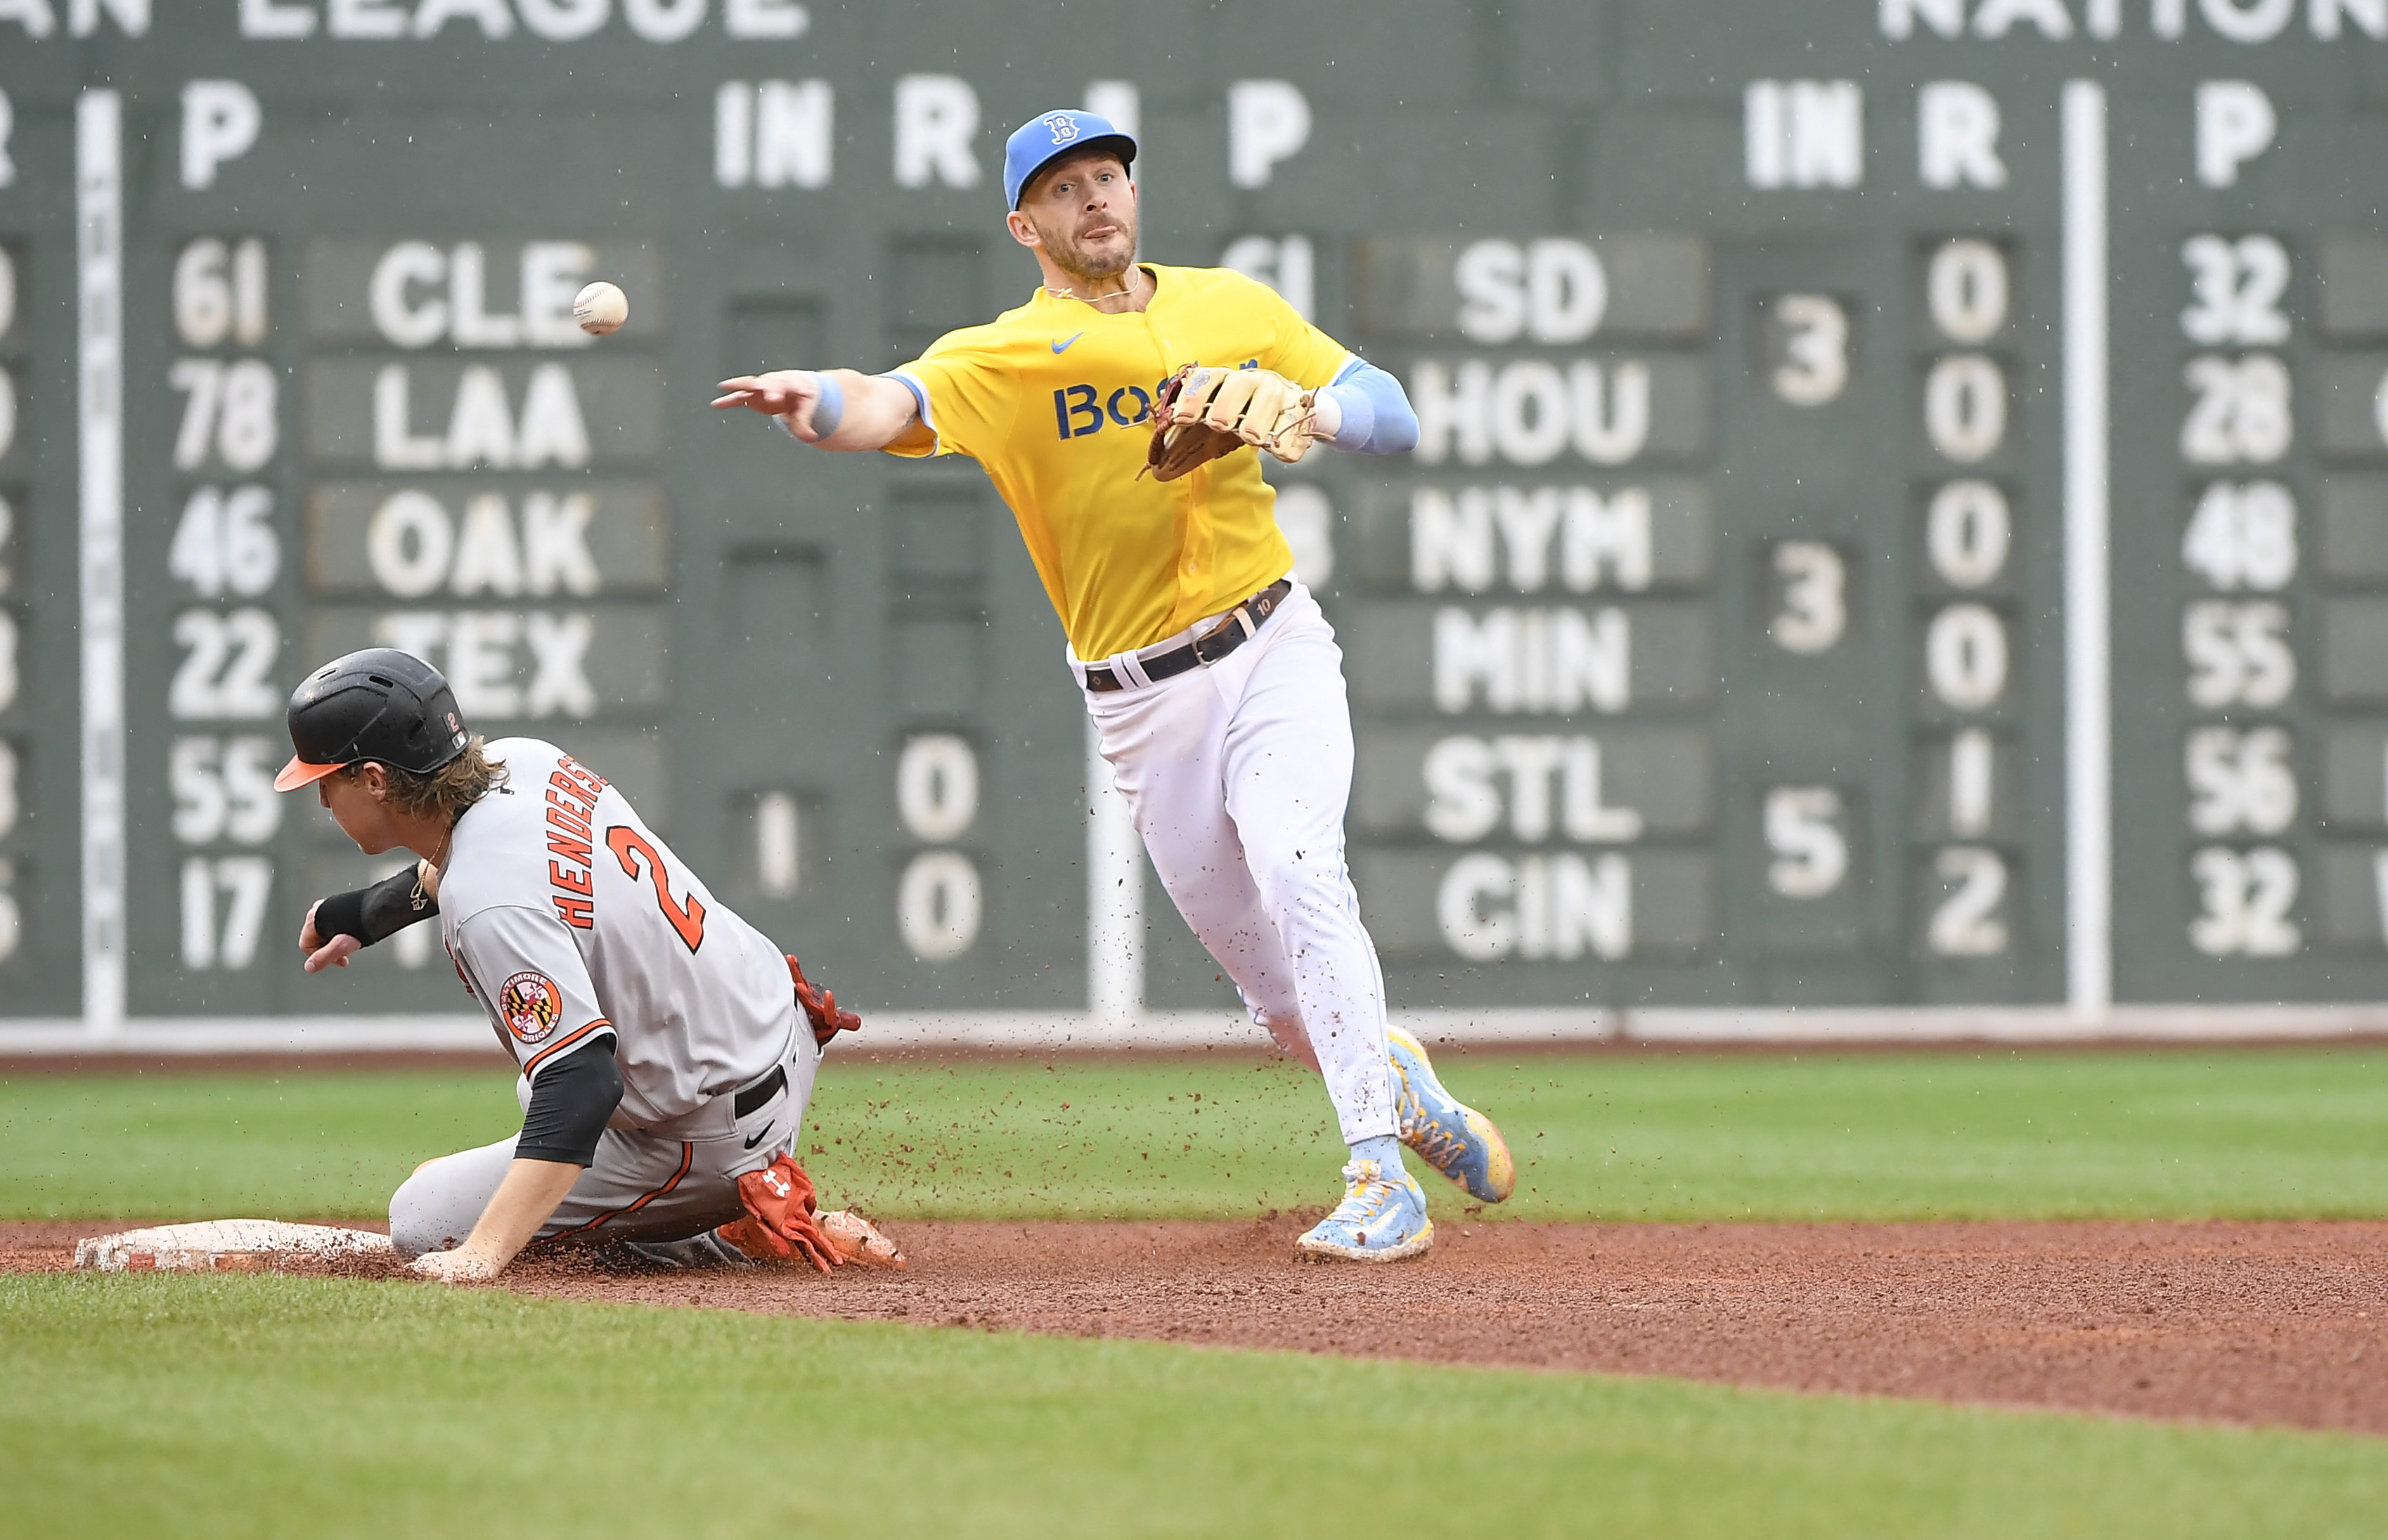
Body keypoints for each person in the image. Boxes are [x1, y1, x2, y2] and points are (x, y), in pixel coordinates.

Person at [712, 109, 1513, 1261]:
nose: (1095, 197)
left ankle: (1377, 1177)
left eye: (1109, 174)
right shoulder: (1010, 356)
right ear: (1022, 224)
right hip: (1143, 702)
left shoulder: (1228, 306)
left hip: (1271, 644)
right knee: (1277, 1000)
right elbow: (892, 399)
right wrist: (816, 399)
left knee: (1300, 866)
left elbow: (1390, 410)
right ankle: (1398, 1081)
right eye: (1064, 185)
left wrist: (1308, 409)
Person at [275, 647, 898, 1282]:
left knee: (422, 1216)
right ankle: (727, 1200)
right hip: (777, 1031)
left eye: (327, 778)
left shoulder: (487, 902)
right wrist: (367, 913)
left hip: (707, 1137)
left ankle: (739, 1229)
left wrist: (481, 1255)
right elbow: (483, 864)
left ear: (376, 779)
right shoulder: (523, 761)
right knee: (501, 1140)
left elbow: (582, 1087)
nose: (322, 799)